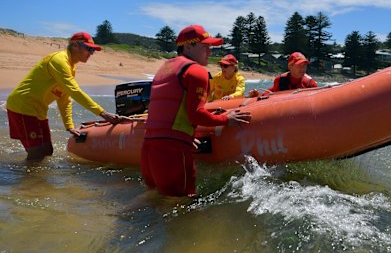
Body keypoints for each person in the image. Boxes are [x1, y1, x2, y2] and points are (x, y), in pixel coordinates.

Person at [141, 25, 251, 197]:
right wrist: (226, 119)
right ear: (188, 47)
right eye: (205, 46)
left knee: (155, 200)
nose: (210, 51)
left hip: (148, 147)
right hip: (172, 149)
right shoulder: (197, 71)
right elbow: (196, 114)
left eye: (210, 47)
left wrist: (187, 136)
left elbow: (167, 109)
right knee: (183, 204)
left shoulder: (165, 68)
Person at [6, 32, 122, 161]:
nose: (91, 53)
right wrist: (102, 113)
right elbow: (74, 91)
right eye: (89, 49)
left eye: (93, 50)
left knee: (47, 150)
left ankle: (39, 180)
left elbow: (64, 98)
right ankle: (27, 180)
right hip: (23, 106)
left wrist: (69, 126)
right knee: (37, 152)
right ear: (74, 46)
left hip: (38, 110)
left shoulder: (71, 67)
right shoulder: (59, 60)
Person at [248, 52, 317, 97]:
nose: (303, 69)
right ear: (290, 67)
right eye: (299, 65)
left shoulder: (310, 83)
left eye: (304, 66)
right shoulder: (280, 80)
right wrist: (257, 95)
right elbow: (269, 94)